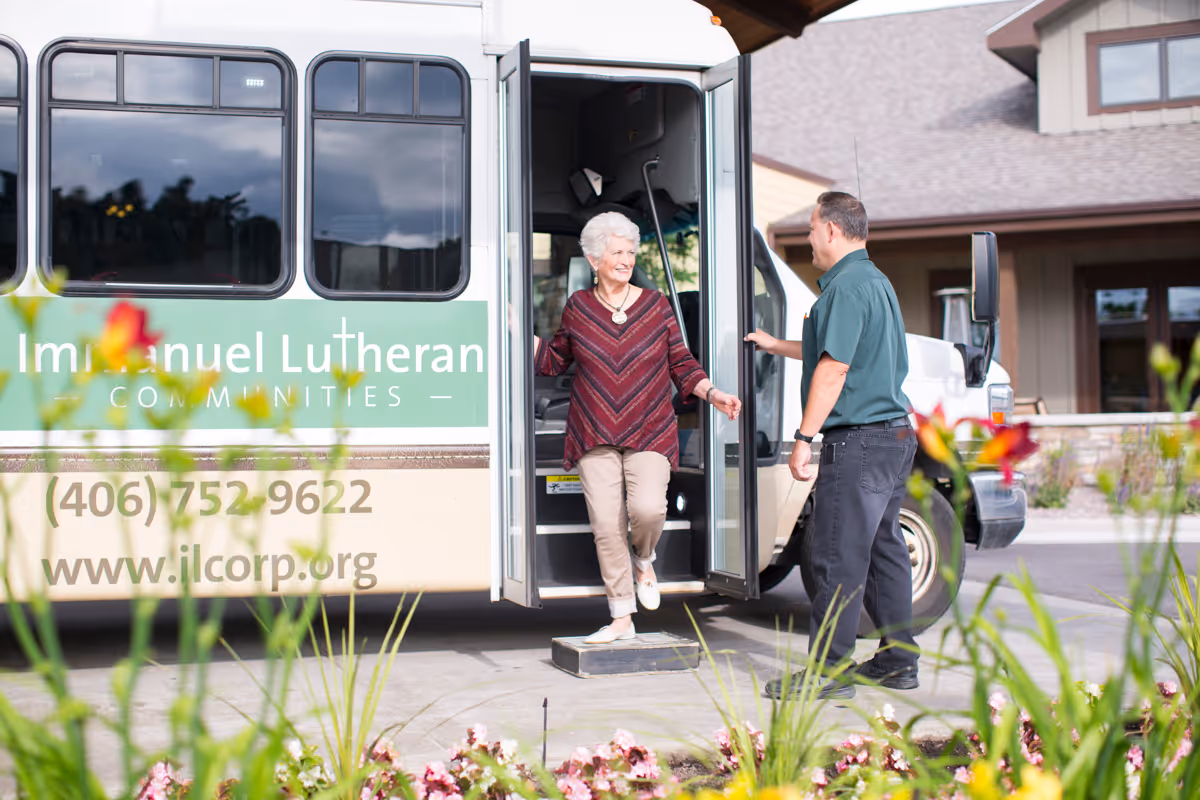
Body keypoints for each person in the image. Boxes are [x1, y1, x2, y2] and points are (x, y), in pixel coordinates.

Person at [535, 211, 742, 644]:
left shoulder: (655, 304)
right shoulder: (579, 307)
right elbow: (555, 360)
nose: (626, 259)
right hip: (593, 430)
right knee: (606, 526)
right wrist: (518, 332)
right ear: (594, 259)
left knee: (648, 510)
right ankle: (620, 619)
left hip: (649, 426)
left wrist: (714, 394)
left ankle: (644, 558)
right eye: (617, 252)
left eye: (631, 251)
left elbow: (681, 363)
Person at [746, 192, 919, 700]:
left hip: (859, 440)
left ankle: (829, 670)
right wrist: (776, 345)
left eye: (812, 228)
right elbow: (836, 349)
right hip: (893, 436)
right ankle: (898, 660)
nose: (808, 238)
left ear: (832, 232)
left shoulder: (845, 287)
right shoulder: (874, 282)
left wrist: (802, 438)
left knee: (834, 554)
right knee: (884, 549)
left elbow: (835, 367)